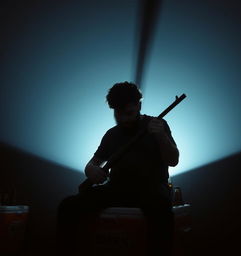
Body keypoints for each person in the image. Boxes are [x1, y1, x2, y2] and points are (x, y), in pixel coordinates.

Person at [56, 81, 179, 256]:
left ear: (139, 105)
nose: (123, 119)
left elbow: (173, 160)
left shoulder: (158, 125)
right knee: (68, 206)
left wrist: (160, 136)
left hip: (151, 189)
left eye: (128, 113)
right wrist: (90, 170)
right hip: (117, 189)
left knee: (161, 210)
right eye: (118, 114)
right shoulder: (112, 134)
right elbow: (92, 163)